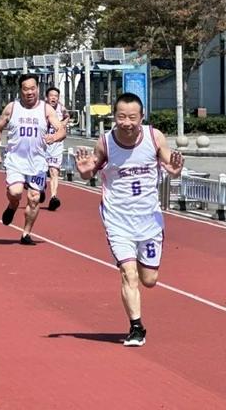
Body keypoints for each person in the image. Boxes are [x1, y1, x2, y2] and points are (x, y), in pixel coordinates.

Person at [75, 92, 183, 347]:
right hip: (118, 219)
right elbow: (90, 168)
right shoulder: (105, 143)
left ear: (142, 117)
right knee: (128, 273)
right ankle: (136, 327)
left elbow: (171, 164)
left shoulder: (154, 137)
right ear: (114, 117)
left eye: (132, 117)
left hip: (149, 220)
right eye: (121, 117)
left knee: (149, 280)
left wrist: (175, 168)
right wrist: (83, 171)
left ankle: (137, 317)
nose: (127, 123)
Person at [0, 74, 66, 245]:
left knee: (34, 197)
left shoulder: (46, 109)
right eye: (26, 89)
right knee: (15, 192)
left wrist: (54, 137)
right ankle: (12, 206)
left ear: (38, 89)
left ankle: (25, 234)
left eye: (33, 88)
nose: (30, 92)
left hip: (38, 162)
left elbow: (61, 130)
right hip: (15, 160)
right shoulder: (12, 108)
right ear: (21, 90)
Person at [44, 86, 69, 211]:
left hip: (57, 144)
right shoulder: (41, 108)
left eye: (56, 96)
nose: (54, 98)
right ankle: (40, 188)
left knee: (54, 171)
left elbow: (67, 116)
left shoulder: (62, 108)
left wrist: (61, 125)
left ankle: (53, 197)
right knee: (41, 170)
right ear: (47, 97)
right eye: (51, 95)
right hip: (43, 145)